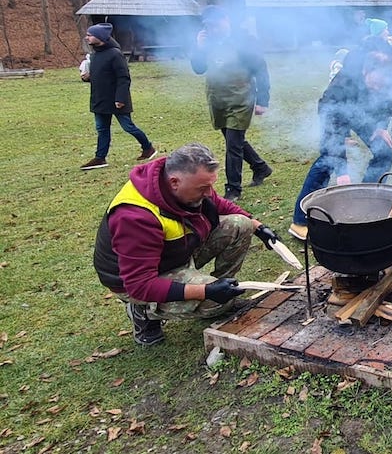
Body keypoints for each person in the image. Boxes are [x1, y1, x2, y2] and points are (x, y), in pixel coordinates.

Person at [93, 143, 282, 346]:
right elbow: (138, 284)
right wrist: (206, 292)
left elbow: (218, 203)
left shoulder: (182, 183)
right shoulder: (135, 217)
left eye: (211, 186)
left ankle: (223, 291)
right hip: (138, 281)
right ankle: (144, 312)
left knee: (241, 224)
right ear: (175, 182)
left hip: (172, 253)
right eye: (203, 188)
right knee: (215, 300)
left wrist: (258, 226)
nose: (210, 193)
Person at [289, 49, 392, 240]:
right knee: (328, 159)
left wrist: (380, 127)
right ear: (366, 70)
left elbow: (385, 103)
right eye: (375, 83)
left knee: (383, 151)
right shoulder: (341, 86)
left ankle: (367, 199)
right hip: (334, 116)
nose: (378, 87)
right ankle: (300, 222)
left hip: (359, 113)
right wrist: (342, 170)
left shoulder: (384, 77)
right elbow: (333, 128)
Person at [190, 6, 273, 202]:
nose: (213, 29)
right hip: (218, 99)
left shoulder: (244, 40)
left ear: (226, 19)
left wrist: (263, 101)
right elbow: (199, 69)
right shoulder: (207, 41)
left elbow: (261, 70)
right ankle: (260, 167)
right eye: (209, 26)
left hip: (241, 98)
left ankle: (233, 189)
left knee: (233, 145)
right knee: (234, 140)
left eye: (216, 24)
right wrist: (199, 49)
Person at [79, 23, 156, 171]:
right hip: (99, 100)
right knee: (102, 129)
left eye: (90, 35)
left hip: (116, 100)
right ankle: (100, 158)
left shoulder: (115, 54)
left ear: (100, 37)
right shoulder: (94, 56)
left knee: (128, 127)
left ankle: (148, 148)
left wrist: (120, 98)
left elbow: (123, 78)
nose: (87, 37)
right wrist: (87, 77)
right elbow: (100, 76)